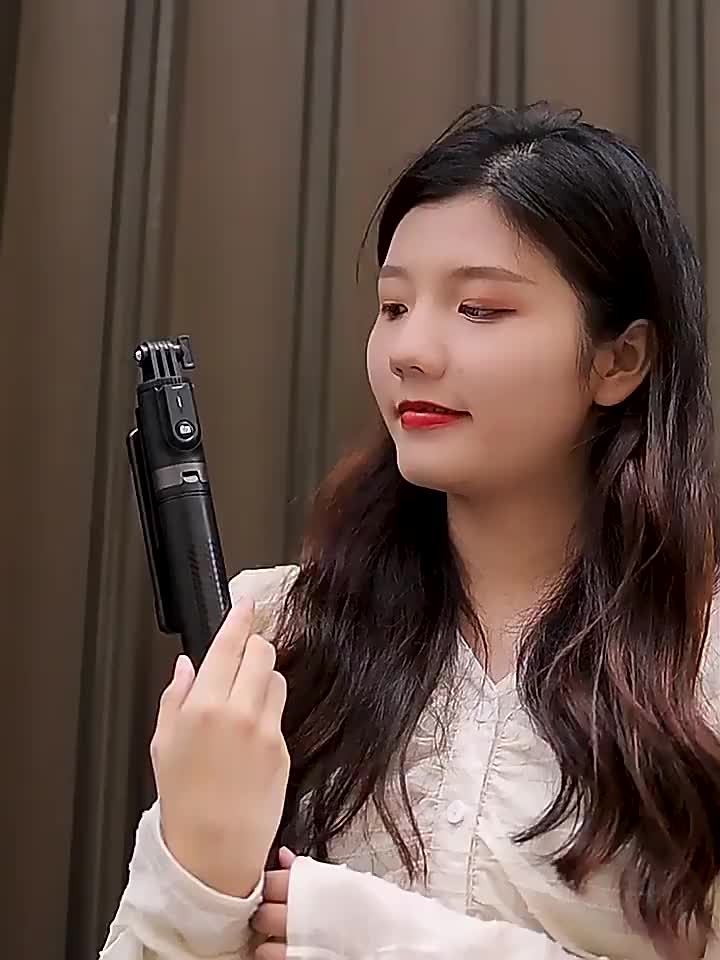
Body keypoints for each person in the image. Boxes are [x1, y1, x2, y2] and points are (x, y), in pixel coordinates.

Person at [99, 103, 720, 960]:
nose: (409, 350)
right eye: (393, 306)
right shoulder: (271, 633)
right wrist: (200, 868)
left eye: (479, 309)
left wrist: (392, 940)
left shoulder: (702, 654)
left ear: (620, 360)